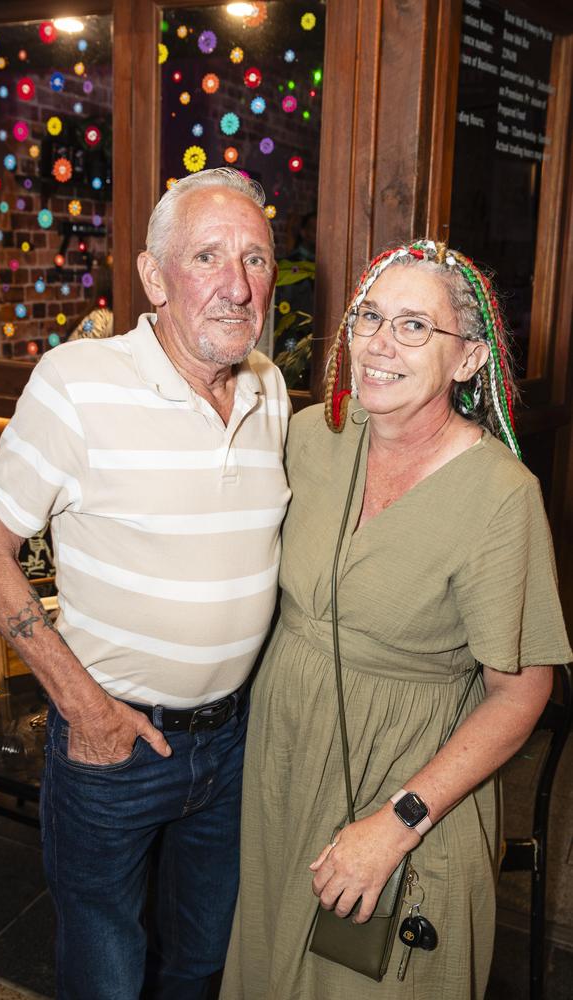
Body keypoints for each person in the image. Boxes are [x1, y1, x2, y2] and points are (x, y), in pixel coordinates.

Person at [0, 167, 290, 1000]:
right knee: (105, 972)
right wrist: (84, 707)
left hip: (232, 743)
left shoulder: (271, 387)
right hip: (113, 744)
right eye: (208, 256)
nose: (236, 284)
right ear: (154, 277)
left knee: (203, 961)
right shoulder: (78, 383)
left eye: (256, 259)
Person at [221, 239, 572, 1000]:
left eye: (415, 326)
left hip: (410, 777)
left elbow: (521, 693)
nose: (379, 343)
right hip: (283, 764)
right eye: (369, 316)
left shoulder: (501, 497)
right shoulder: (313, 439)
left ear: (469, 360)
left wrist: (399, 819)